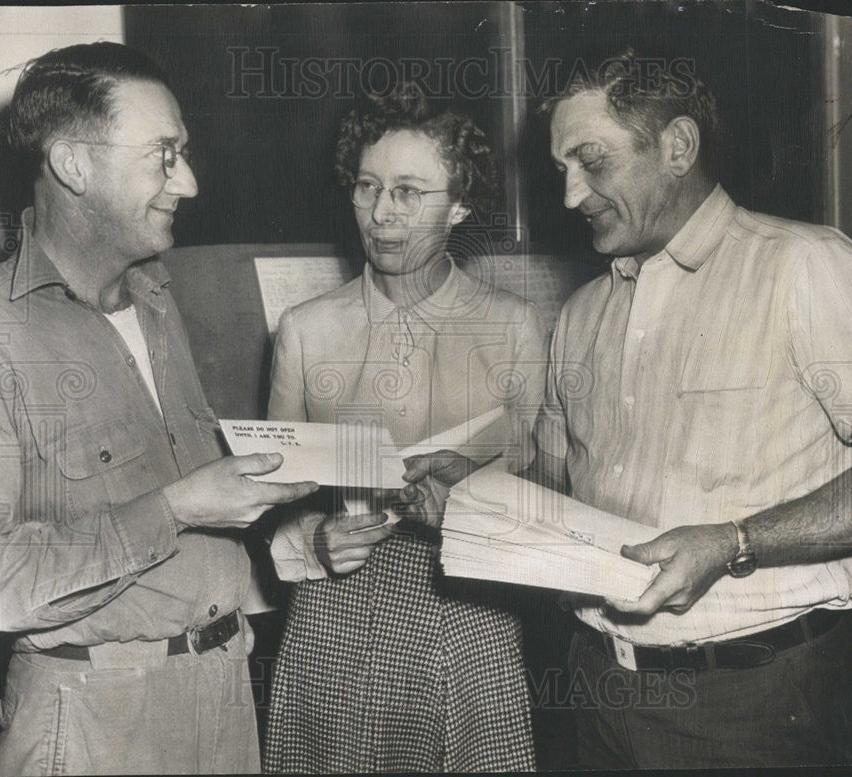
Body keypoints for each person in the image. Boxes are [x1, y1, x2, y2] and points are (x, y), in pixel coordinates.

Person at [524, 52, 852, 768]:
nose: (569, 195)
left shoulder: (805, 267)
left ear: (678, 147)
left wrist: (734, 542)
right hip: (592, 694)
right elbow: (554, 485)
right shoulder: (580, 313)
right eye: (561, 167)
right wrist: (467, 489)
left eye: (591, 161)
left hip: (756, 702)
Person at [0, 43, 318, 776]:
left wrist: (293, 542)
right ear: (74, 165)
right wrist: (177, 505)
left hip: (220, 693)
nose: (189, 180)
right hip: (90, 720)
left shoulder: (154, 296)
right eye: (164, 154)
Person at [262, 83, 547, 773]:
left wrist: (472, 509)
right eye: (367, 186)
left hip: (470, 608)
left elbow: (547, 488)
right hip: (334, 612)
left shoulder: (511, 324)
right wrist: (312, 541)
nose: (383, 214)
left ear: (460, 203)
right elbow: (267, 495)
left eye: (410, 192)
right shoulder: (305, 330)